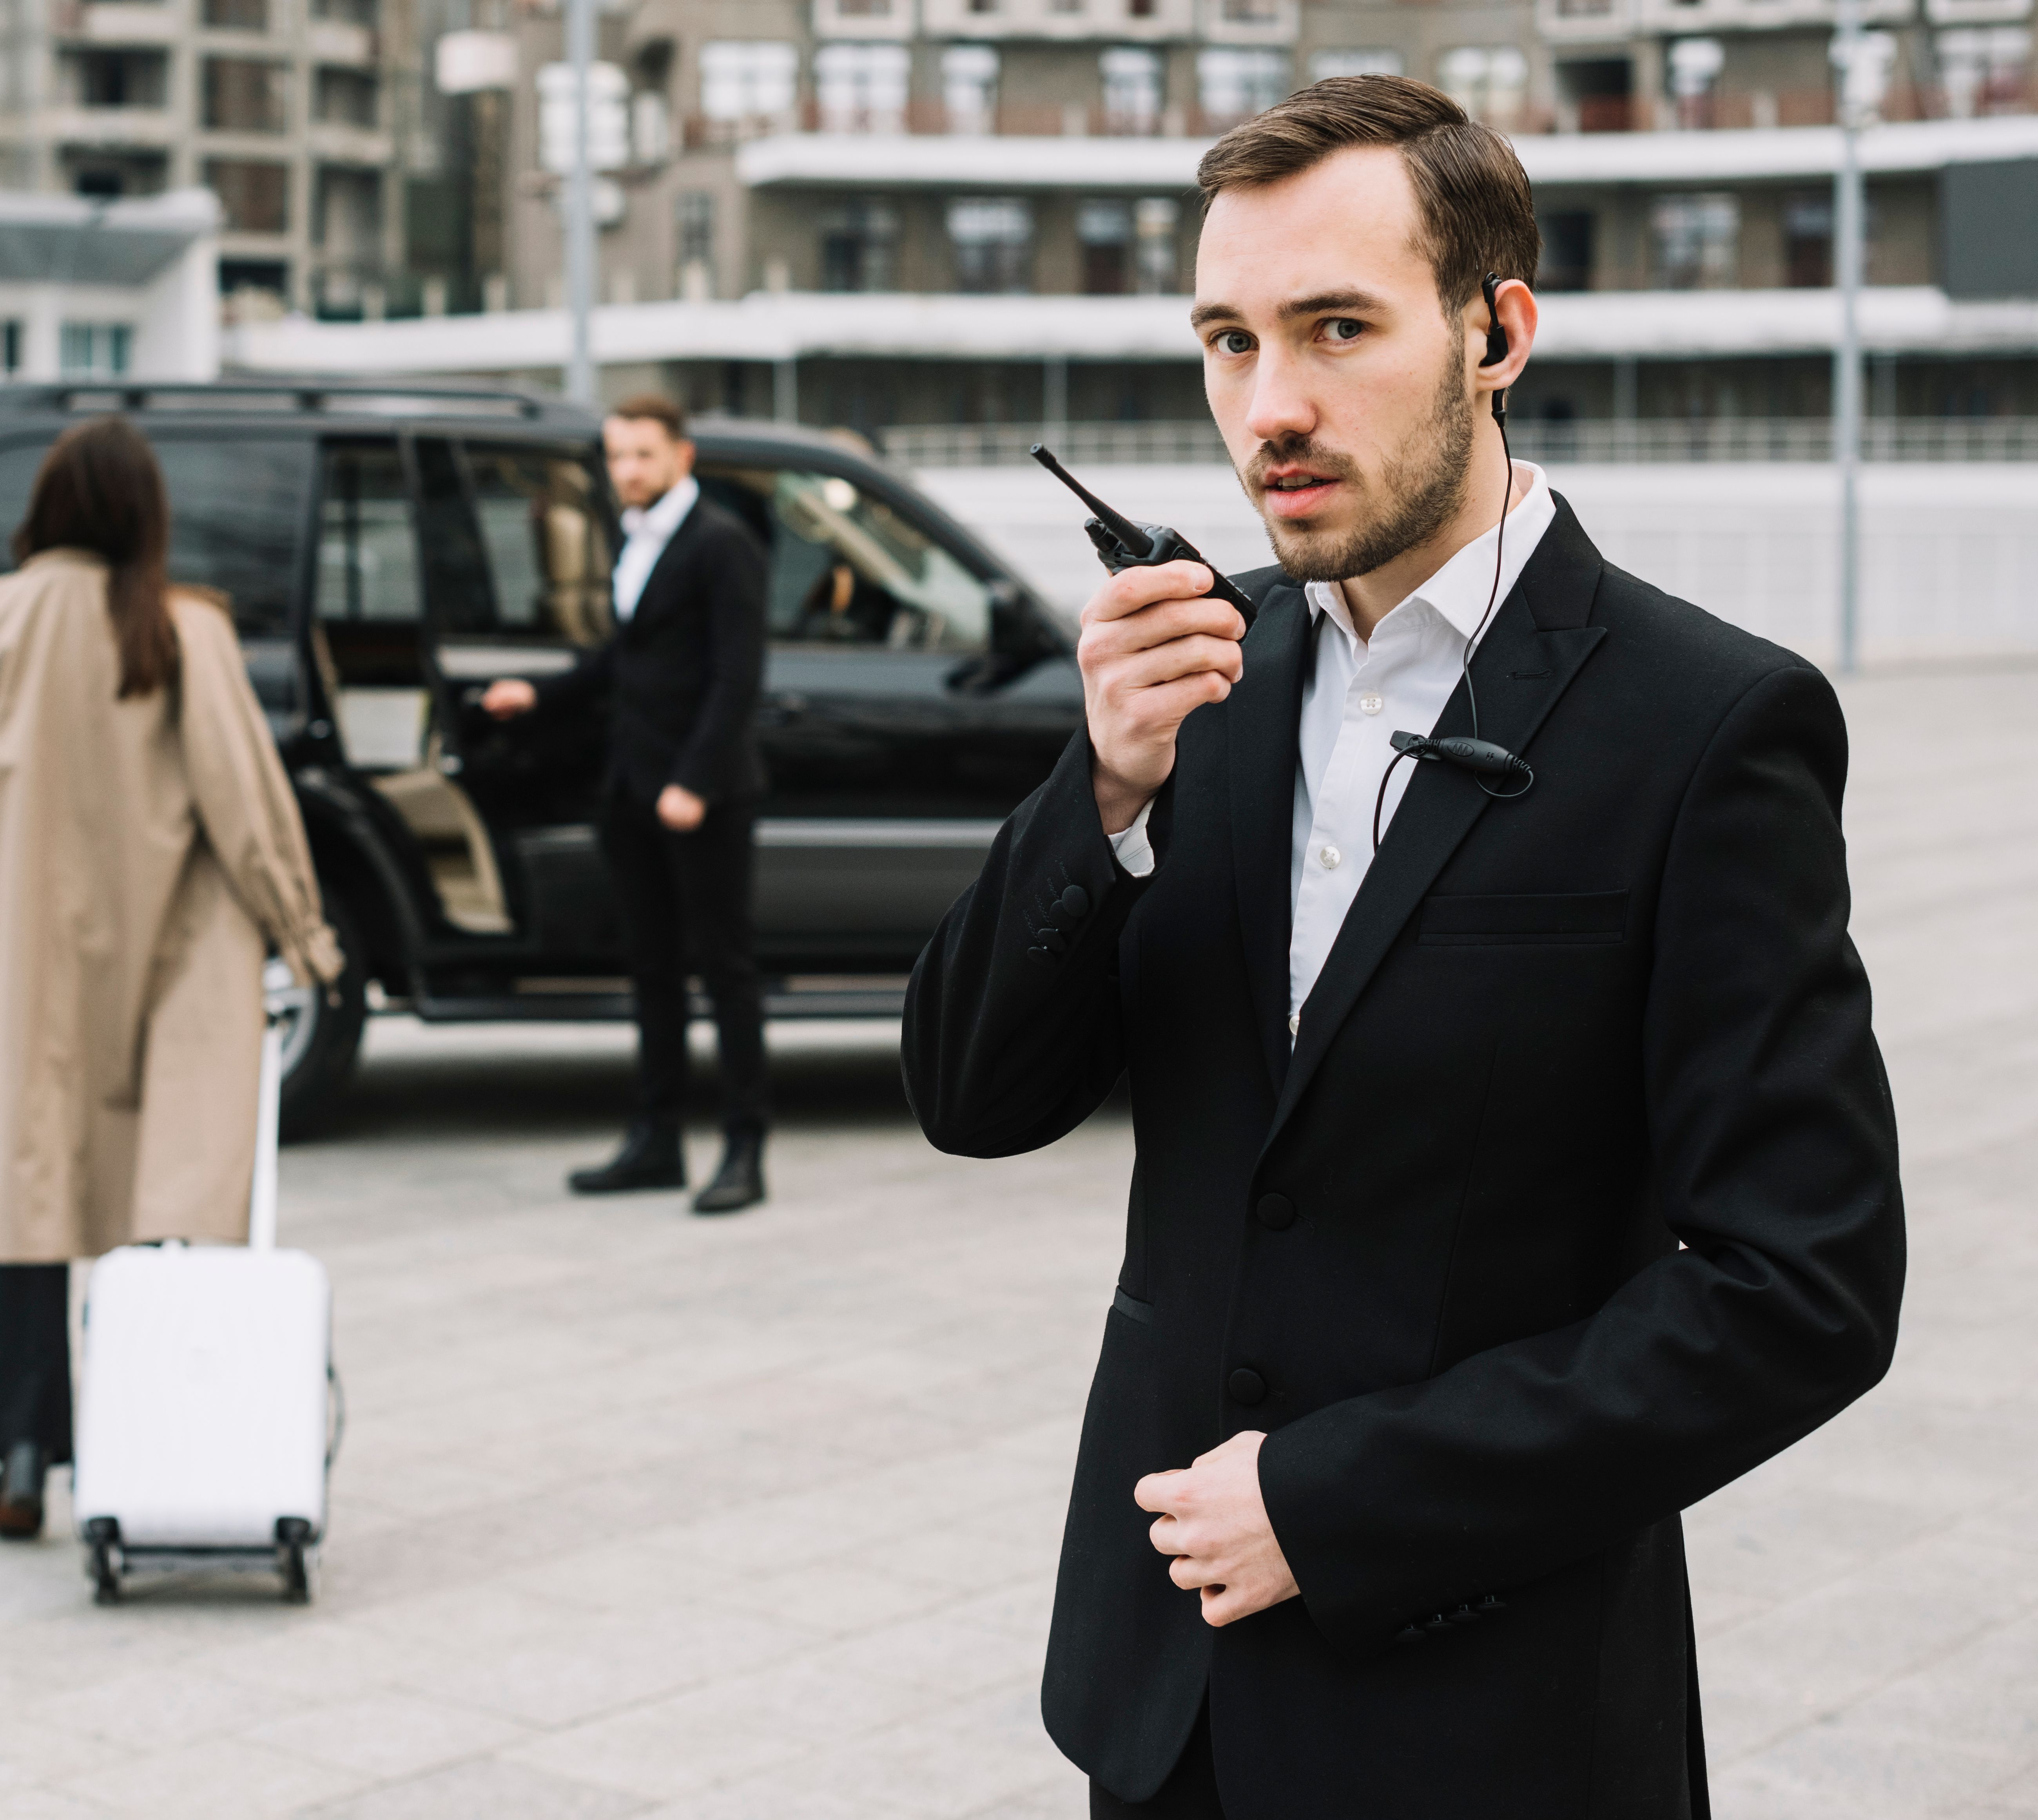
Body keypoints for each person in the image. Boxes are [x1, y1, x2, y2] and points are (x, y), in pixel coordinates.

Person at [900, 76, 1904, 1818]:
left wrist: (1340, 1498)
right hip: (1165, 1708)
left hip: (1494, 1723)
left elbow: (1800, 1288)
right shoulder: (1197, 680)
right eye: (1227, 340)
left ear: (1496, 330)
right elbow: (971, 1096)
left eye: (1335, 328)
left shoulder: (1707, 725)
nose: (1267, 408)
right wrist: (1106, 794)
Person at [0, 415, 344, 1542]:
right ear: (147, 513)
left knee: (34, 1203)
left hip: (18, 968)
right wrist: (302, 931)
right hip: (164, 972)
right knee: (152, 1208)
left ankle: (25, 1451)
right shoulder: (184, 630)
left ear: (48, 506)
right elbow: (245, 797)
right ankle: (140, 1438)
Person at [481, 393, 772, 1215]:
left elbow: (736, 676)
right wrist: (536, 696)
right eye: (616, 456)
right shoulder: (631, 536)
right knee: (651, 973)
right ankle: (656, 1141)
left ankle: (745, 1148)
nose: (627, 471)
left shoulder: (723, 544)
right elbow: (625, 658)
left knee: (727, 973)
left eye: (642, 454)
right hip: (632, 791)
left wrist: (695, 781)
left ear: (682, 456)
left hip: (701, 795)